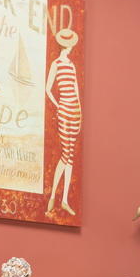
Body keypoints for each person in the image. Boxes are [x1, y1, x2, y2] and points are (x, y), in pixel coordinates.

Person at [44, 27, 81, 216]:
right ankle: (53, 197)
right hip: (65, 109)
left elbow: (76, 91)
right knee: (66, 153)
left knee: (70, 155)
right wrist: (58, 105)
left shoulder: (72, 66)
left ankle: (63, 199)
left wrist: (79, 112)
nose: (70, 49)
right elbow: (48, 88)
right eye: (69, 46)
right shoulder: (56, 64)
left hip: (74, 110)